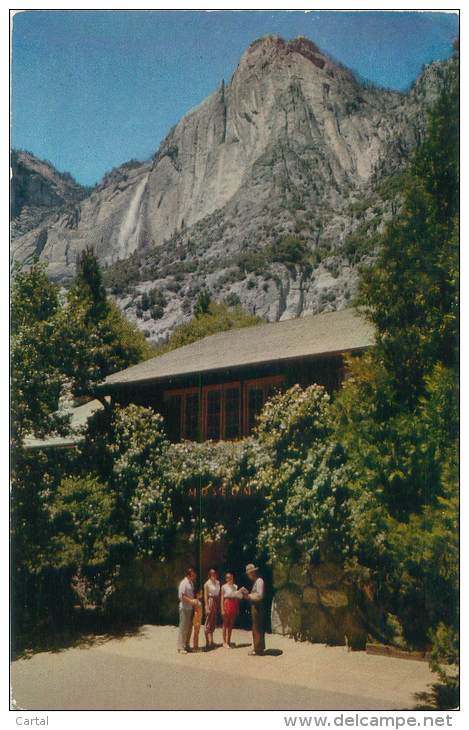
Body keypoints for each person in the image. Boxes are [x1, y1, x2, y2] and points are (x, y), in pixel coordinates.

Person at [245, 563, 265, 656]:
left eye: (249, 574)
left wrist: (248, 596)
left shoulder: (259, 581)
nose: (249, 576)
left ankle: (258, 649)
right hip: (255, 606)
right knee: (256, 627)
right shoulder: (257, 581)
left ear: (252, 573)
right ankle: (259, 647)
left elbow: (259, 595)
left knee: (256, 627)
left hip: (257, 606)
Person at [177, 567, 198, 654]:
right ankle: (180, 647)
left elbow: (191, 595)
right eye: (193, 575)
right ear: (189, 575)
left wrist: (196, 598)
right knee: (183, 627)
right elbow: (182, 596)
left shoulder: (191, 583)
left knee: (189, 627)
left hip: (190, 608)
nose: (195, 577)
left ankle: (187, 645)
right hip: (184, 608)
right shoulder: (183, 583)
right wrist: (191, 601)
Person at [221, 571, 240, 648]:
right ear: (226, 579)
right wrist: (222, 609)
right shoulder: (224, 587)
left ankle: (228, 640)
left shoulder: (235, 586)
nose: (229, 578)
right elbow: (222, 598)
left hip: (233, 604)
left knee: (231, 624)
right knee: (225, 623)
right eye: (228, 577)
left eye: (230, 577)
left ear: (233, 577)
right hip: (226, 603)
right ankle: (224, 642)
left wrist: (237, 607)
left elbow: (236, 597)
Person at [203, 567, 220, 649]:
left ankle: (211, 641)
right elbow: (205, 596)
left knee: (213, 621)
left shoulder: (218, 583)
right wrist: (206, 606)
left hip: (216, 602)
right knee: (208, 621)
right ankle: (207, 642)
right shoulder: (207, 584)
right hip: (210, 601)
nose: (213, 575)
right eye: (212, 574)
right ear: (209, 575)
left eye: (215, 573)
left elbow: (218, 594)